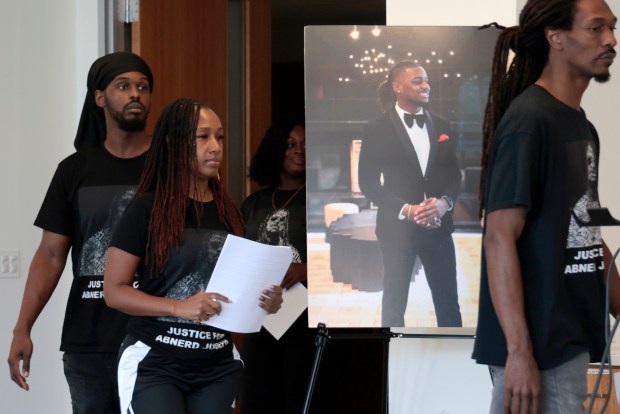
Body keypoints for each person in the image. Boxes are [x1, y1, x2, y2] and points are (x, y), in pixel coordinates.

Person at [472, 0, 620, 412]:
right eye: (595, 29)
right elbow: (499, 238)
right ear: (556, 37)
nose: (610, 40)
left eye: (612, 28)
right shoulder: (529, 121)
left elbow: (583, 225)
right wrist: (519, 353)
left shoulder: (580, 124)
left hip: (569, 336)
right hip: (538, 349)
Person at [103, 98, 284, 414]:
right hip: (155, 361)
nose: (215, 146)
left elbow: (237, 290)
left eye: (220, 137)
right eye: (203, 137)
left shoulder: (230, 214)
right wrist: (178, 307)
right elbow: (114, 292)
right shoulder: (146, 208)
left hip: (217, 364)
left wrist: (268, 301)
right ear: (175, 143)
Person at [7, 52, 153, 413]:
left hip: (158, 338)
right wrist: (22, 327)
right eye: (124, 86)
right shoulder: (74, 171)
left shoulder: (169, 166)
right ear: (99, 97)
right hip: (89, 340)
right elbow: (51, 254)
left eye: (143, 86)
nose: (135, 93)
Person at [358, 60, 463, 327]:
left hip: (439, 229)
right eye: (417, 80)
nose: (426, 85)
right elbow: (368, 183)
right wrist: (408, 210)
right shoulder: (375, 128)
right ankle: (392, 365)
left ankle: (452, 363)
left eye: (426, 79)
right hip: (397, 231)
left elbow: (454, 175)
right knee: (394, 307)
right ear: (397, 86)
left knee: (449, 306)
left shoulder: (442, 124)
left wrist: (444, 203)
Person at [238, 119, 312, 413]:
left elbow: (345, 259)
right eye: (291, 145)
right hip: (259, 318)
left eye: (306, 145)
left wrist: (305, 270)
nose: (299, 151)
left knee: (301, 399)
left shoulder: (319, 201)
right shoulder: (253, 203)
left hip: (306, 320)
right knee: (258, 398)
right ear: (275, 151)